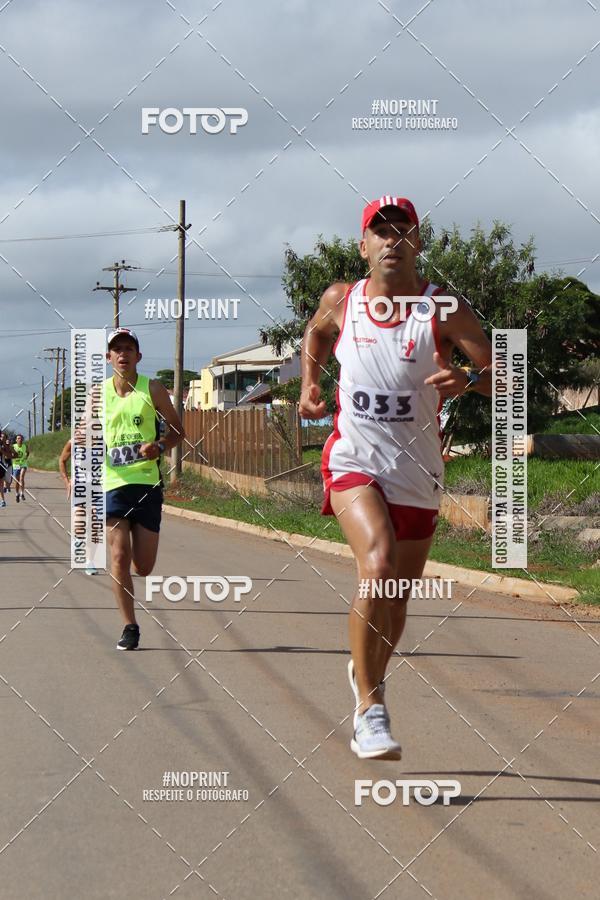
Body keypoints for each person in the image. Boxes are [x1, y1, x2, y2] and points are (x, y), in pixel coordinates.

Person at [299, 196, 493, 759]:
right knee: (378, 566)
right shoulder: (343, 300)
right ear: (364, 246)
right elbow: (315, 336)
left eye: (402, 231)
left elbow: (503, 374)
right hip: (353, 461)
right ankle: (370, 707)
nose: (392, 241)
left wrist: (468, 379)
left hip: (417, 471)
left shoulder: (444, 309)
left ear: (417, 243)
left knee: (397, 597)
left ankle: (366, 670)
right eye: (380, 232)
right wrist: (310, 383)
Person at [104, 328, 185, 650]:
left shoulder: (152, 389)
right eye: (117, 349)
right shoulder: (98, 395)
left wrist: (160, 446)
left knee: (143, 566)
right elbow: (86, 435)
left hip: (147, 484)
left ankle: (137, 575)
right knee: (119, 556)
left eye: (128, 349)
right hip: (113, 484)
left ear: (138, 356)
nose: (122, 354)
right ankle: (130, 626)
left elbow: (178, 431)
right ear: (108, 357)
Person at [12, 434, 29, 502]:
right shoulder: (13, 446)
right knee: (16, 481)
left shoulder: (25, 446)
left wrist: (26, 457)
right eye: (18, 438)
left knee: (21, 477)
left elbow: (28, 452)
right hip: (16, 464)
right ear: (16, 440)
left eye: (21, 438)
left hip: (23, 464)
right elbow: (10, 454)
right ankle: (17, 494)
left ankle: (22, 493)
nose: (20, 439)